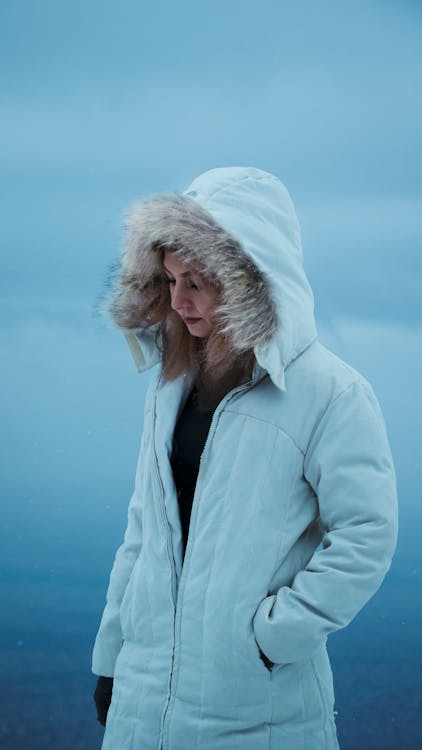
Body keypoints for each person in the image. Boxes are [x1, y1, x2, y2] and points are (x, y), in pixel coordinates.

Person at [92, 166, 398, 750]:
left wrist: (270, 641)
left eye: (197, 283)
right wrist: (112, 657)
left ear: (250, 280)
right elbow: (144, 533)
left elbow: (367, 534)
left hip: (260, 716)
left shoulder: (330, 393)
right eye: (170, 280)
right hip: (144, 704)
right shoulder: (171, 386)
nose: (178, 301)